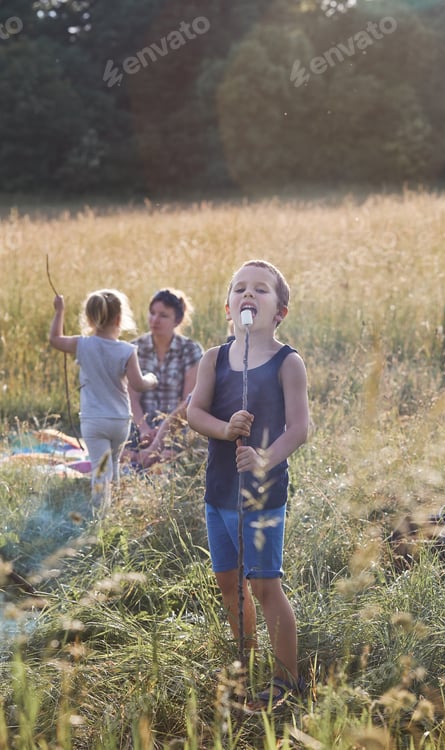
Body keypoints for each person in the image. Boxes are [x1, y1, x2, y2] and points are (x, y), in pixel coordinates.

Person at [187, 259, 309, 711]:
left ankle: (286, 678)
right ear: (228, 307)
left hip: (262, 495)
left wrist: (263, 459)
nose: (248, 295)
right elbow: (194, 412)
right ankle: (248, 658)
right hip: (218, 491)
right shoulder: (214, 359)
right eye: (240, 289)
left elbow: (299, 428)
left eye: (261, 289)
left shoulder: (286, 362)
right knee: (228, 582)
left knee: (263, 585)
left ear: (280, 311)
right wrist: (224, 429)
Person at [49, 290, 158, 508]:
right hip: (119, 421)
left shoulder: (83, 344)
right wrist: (151, 379)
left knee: (100, 469)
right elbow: (138, 384)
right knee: (114, 465)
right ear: (119, 318)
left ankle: (100, 520)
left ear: (89, 319)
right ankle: (115, 512)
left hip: (94, 421)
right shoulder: (127, 350)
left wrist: (59, 311)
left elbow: (55, 340)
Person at [125, 288, 203, 469]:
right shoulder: (134, 348)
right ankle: (142, 460)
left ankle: (151, 459)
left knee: (172, 456)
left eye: (163, 315)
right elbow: (131, 396)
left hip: (175, 425)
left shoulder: (190, 350)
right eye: (152, 313)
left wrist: (159, 438)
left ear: (177, 320)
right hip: (139, 423)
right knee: (115, 452)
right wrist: (143, 428)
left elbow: (188, 401)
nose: (154, 320)